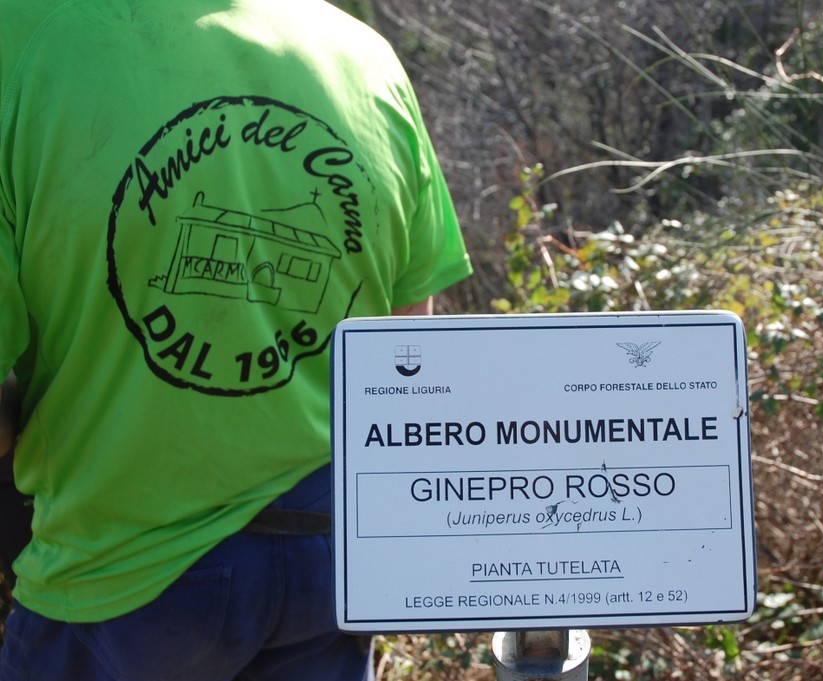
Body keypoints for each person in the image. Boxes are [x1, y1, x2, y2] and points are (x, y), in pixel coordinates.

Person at [0, 0, 472, 678]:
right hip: (330, 568)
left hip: (119, 577)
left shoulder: (24, 39)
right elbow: (407, 343)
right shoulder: (364, 55)